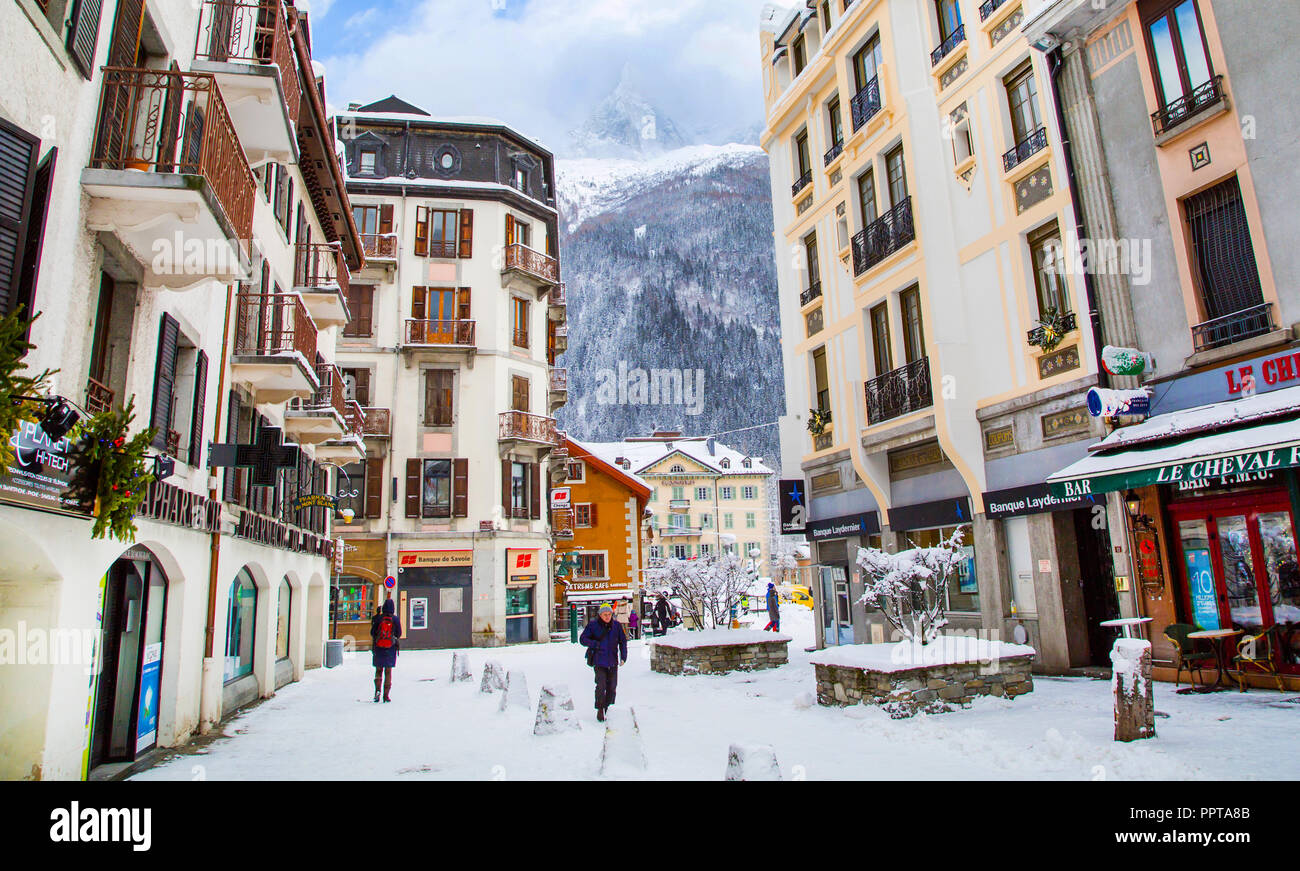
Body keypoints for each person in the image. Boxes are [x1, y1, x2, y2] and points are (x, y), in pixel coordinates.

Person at [579, 604, 627, 721]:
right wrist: (595, 644)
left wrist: (623, 657)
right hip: (599, 661)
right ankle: (600, 709)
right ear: (600, 615)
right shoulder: (593, 626)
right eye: (605, 615)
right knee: (601, 686)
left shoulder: (616, 626)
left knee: (612, 687)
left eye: (609, 614)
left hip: (612, 661)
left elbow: (623, 642)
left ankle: (609, 708)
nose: (607, 617)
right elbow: (583, 639)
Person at [370, 597, 401, 703]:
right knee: (388, 671)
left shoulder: (379, 618)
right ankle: (386, 695)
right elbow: (399, 634)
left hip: (379, 647)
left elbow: (372, 632)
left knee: (378, 670)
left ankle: (377, 691)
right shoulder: (395, 619)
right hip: (390, 648)